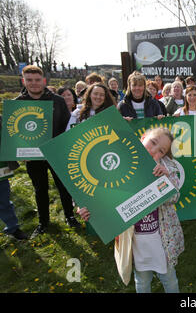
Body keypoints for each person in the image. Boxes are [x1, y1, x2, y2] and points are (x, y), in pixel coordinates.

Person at [77, 127, 184, 293]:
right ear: (142, 138)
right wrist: (89, 211)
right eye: (153, 142)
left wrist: (166, 180)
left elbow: (174, 198)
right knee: (141, 280)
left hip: (161, 239)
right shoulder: (119, 165)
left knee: (169, 278)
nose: (154, 150)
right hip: (135, 241)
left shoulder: (166, 169)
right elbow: (101, 196)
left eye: (161, 151)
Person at [15, 65, 79, 237]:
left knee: (63, 186)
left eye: (37, 80)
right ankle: (43, 223)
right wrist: (20, 152)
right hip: (32, 155)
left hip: (56, 152)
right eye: (29, 80)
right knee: (39, 188)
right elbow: (15, 132)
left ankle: (70, 216)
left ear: (43, 81)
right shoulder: (18, 103)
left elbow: (67, 125)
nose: (34, 84)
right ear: (24, 81)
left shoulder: (57, 100)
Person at [0, 116, 27, 240]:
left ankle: (12, 228)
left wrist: (23, 152)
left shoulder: (2, 120)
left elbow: (12, 139)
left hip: (0, 169)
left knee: (3, 200)